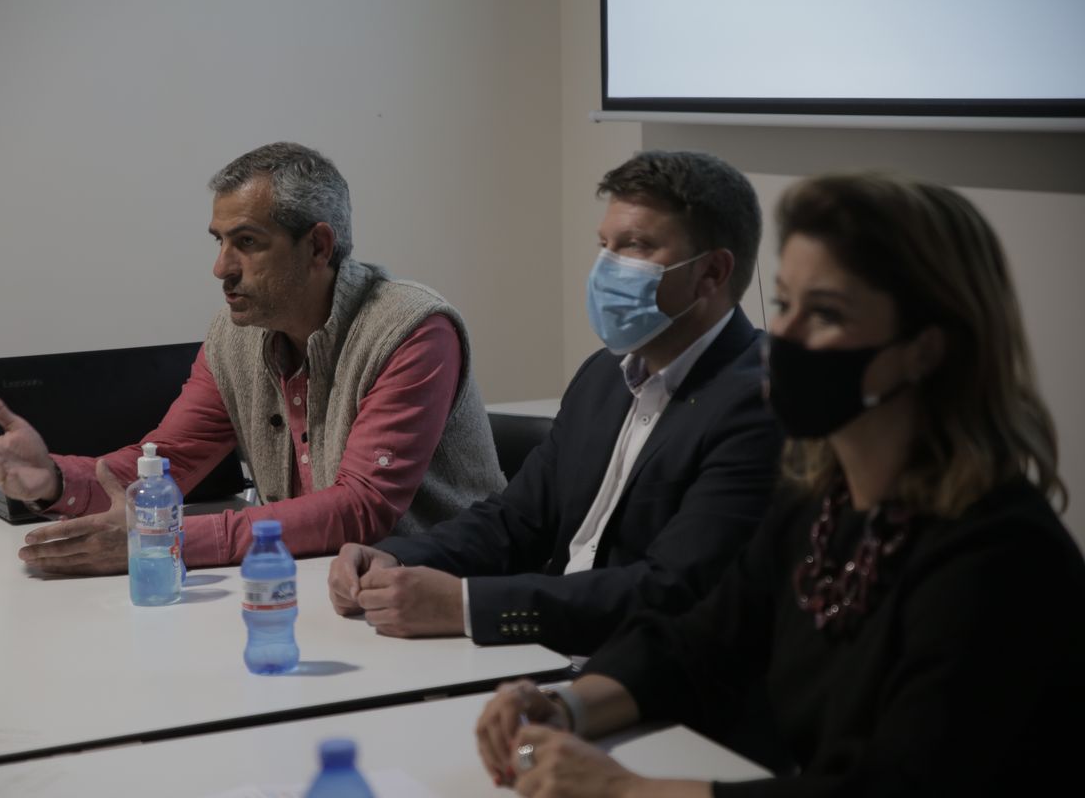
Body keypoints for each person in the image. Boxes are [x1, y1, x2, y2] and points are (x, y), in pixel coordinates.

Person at [475, 172, 1085, 797]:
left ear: (925, 350)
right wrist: (567, 709)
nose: (783, 336)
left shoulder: (1002, 559)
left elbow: (893, 787)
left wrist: (626, 790)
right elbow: (694, 643)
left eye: (825, 312)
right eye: (786, 303)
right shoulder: (820, 503)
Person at [0, 141, 505, 574]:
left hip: (445, 586)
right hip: (320, 581)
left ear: (319, 246)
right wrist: (54, 480)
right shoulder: (235, 336)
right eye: (219, 241)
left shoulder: (412, 330)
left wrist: (170, 540)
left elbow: (362, 508)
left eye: (247, 242)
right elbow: (169, 461)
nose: (221, 267)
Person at [328, 151, 783, 656]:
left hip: (650, 677)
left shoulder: (759, 402)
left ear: (713, 273)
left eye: (635, 247)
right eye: (604, 245)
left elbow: (673, 590)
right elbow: (518, 520)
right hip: (546, 654)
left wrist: (467, 605)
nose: (607, 268)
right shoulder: (603, 376)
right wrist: (395, 555)